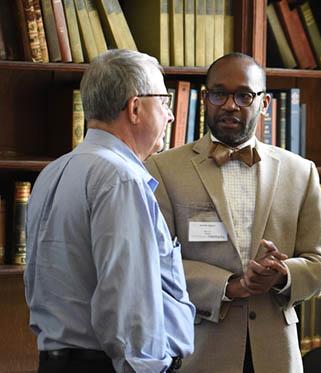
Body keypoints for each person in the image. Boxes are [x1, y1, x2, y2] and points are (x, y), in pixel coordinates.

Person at [144, 52, 321, 373]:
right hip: (200, 350)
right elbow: (152, 263)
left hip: (276, 355)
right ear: (205, 99)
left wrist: (283, 275)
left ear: (264, 104)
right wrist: (229, 285)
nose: (231, 105)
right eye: (219, 94)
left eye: (244, 95)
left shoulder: (300, 172)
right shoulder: (163, 168)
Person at [24, 49, 195, 373]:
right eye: (164, 101)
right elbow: (128, 304)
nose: (170, 115)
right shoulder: (121, 179)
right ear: (134, 108)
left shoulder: (53, 172)